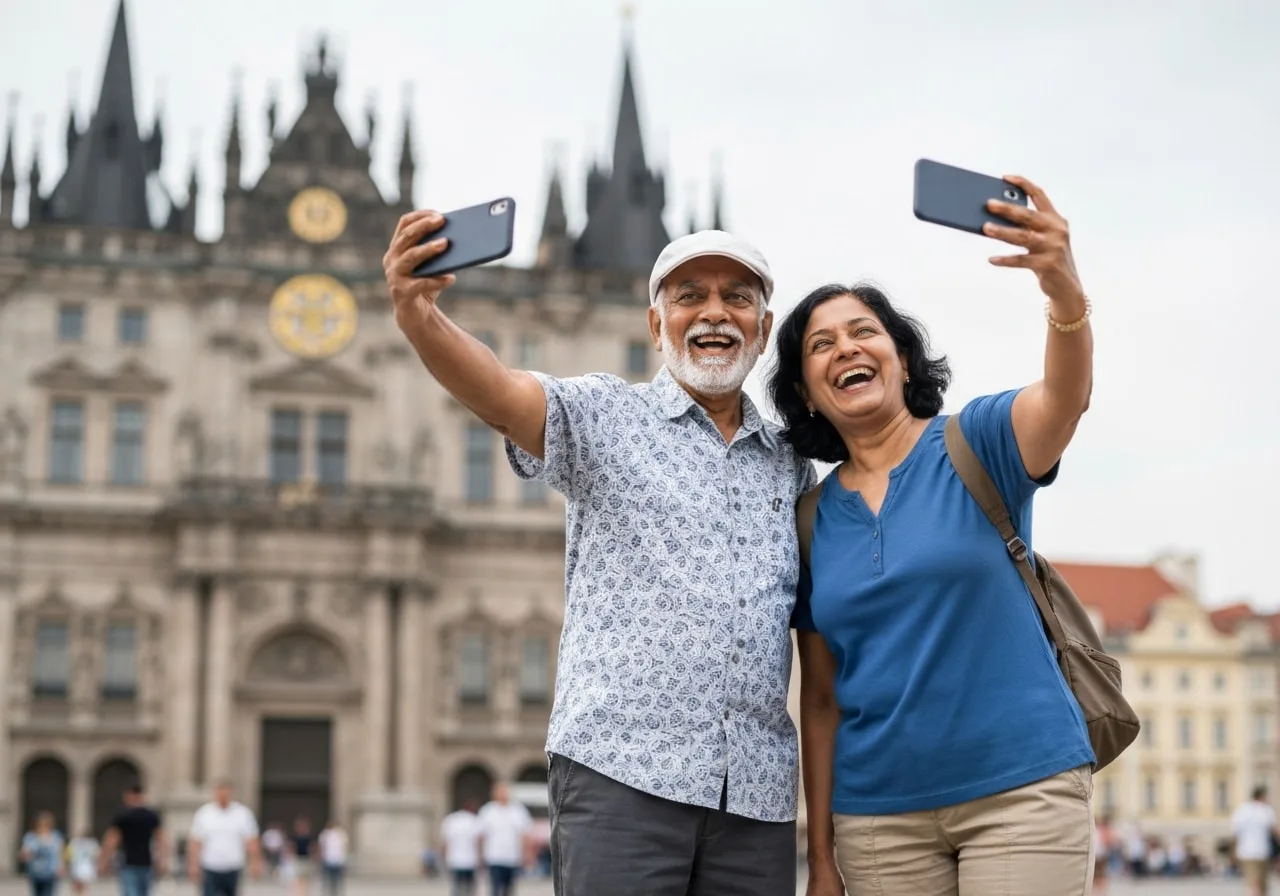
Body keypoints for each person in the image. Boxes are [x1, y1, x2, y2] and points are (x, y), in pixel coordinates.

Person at [384, 218, 814, 896]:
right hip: (622, 772)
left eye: (738, 297)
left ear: (761, 330)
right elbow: (497, 392)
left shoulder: (791, 465)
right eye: (689, 295)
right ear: (655, 324)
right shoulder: (604, 414)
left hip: (755, 795)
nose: (714, 312)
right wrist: (418, 316)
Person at [768, 177, 1097, 895]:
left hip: (1021, 790)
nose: (844, 347)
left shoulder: (977, 442)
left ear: (903, 360)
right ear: (806, 393)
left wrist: (1063, 291)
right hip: (878, 821)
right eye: (820, 345)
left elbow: (1066, 399)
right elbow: (820, 699)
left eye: (863, 332)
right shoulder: (810, 520)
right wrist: (820, 857)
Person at [187, 780, 262, 896]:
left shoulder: (242, 813)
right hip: (210, 865)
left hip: (233, 864)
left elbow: (251, 841)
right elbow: (196, 841)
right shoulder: (204, 813)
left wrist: (255, 862)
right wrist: (193, 864)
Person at [98, 782, 167, 896]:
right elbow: (161, 840)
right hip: (147, 862)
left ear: (129, 795)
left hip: (128, 862)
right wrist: (163, 860)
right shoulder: (152, 816)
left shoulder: (122, 816)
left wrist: (104, 861)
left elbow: (111, 840)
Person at [477, 782, 533, 896]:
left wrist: (527, 853)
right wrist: (480, 855)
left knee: (509, 888)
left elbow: (525, 834)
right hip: (494, 856)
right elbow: (481, 836)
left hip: (512, 856)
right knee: (495, 888)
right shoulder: (487, 811)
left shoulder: (518, 810)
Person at [1233, 785, 1279, 896]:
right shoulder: (1266, 810)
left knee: (1253, 882)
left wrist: (1233, 851)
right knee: (1261, 883)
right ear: (1262, 796)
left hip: (1246, 852)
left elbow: (1235, 832)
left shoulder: (1242, 810)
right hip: (1262, 851)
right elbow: (1275, 831)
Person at [440, 799, 482, 896]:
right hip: (471, 859)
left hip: (455, 859)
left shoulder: (450, 820)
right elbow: (479, 842)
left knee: (457, 887)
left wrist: (444, 857)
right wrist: (480, 858)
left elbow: (446, 842)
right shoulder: (474, 820)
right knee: (470, 888)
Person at [20, 811, 65, 896]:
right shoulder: (31, 837)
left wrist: (61, 866)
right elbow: (24, 852)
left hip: (50, 872)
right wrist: (26, 855)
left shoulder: (55, 837)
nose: (43, 827)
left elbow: (59, 853)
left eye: (46, 824)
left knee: (47, 893)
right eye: (40, 824)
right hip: (35, 872)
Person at [317, 820, 348, 896]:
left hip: (337, 860)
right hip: (327, 859)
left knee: (337, 880)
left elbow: (344, 847)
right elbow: (321, 846)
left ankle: (336, 893)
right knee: (327, 879)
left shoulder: (341, 834)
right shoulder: (325, 834)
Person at [66, 829, 99, 895]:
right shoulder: (75, 842)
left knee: (84, 887)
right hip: (80, 867)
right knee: (82, 887)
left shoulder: (91, 843)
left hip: (84, 867)